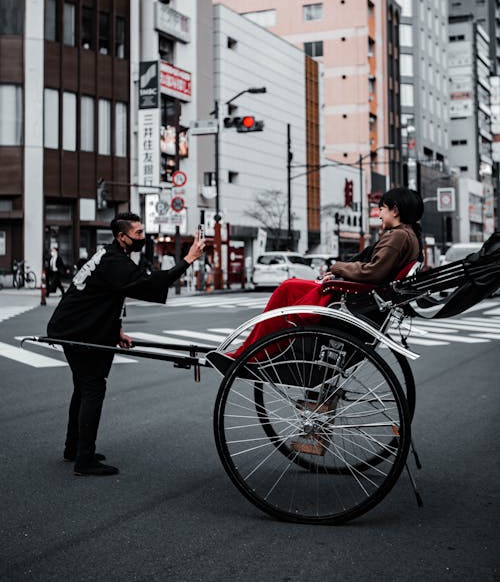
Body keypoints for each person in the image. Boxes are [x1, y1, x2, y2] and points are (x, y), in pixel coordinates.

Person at [47, 212, 205, 477]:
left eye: (143, 231)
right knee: (93, 387)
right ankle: (84, 460)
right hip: (78, 331)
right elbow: (151, 283)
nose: (143, 237)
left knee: (82, 388)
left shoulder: (110, 256)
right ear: (122, 236)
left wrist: (117, 329)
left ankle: (74, 448)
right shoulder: (114, 261)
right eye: (138, 233)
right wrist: (188, 259)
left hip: (75, 327)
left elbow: (108, 295)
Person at [227, 188, 423, 359]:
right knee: (292, 286)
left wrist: (337, 269)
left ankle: (253, 351)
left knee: (288, 287)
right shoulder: (410, 236)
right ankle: (255, 348)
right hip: (364, 296)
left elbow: (373, 272)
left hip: (356, 297)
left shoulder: (398, 236)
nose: (379, 214)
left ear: (395, 210)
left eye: (382, 209)